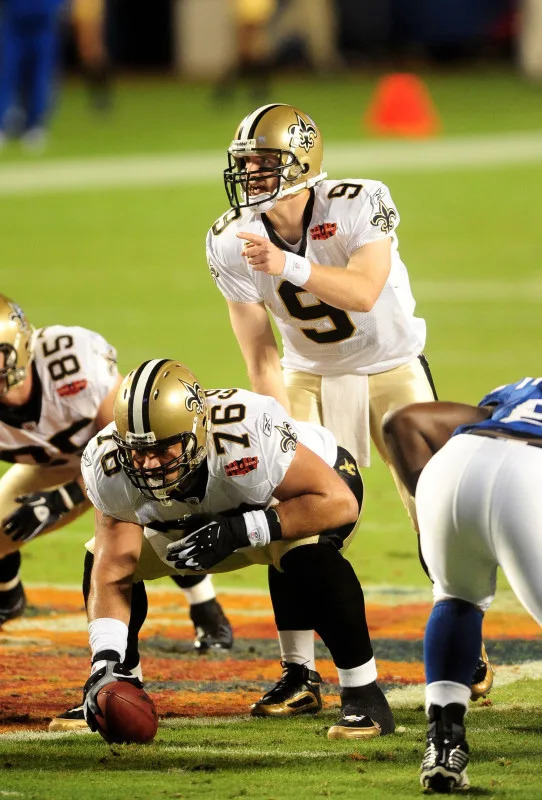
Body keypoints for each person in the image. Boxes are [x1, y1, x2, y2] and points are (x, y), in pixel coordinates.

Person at [204, 102, 496, 715]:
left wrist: (287, 263)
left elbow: (363, 292)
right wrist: (279, 431)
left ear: (302, 161)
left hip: (391, 369)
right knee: (286, 509)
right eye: (246, 164)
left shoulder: (360, 201)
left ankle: (466, 647)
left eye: (264, 162)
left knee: (434, 513)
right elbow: (259, 358)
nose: (251, 175)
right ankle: (299, 672)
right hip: (306, 373)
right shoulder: (231, 238)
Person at [80, 358, 395, 740]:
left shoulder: (244, 429)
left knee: (305, 556)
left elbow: (337, 501)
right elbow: (113, 569)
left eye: (164, 450)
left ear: (197, 430)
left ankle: (363, 693)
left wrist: (240, 530)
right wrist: (104, 661)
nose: (150, 465)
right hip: (204, 517)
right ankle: (119, 683)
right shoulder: (106, 463)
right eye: (138, 451)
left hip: (304, 495)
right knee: (100, 557)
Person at [0, 294, 232, 727]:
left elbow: (123, 442)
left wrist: (64, 500)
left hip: (115, 458)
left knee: (150, 512)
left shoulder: (70, 361)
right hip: (47, 467)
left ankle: (205, 607)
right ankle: (8, 597)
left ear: (20, 345)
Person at [382, 378, 542, 792]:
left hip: (454, 467)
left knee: (456, 597)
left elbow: (405, 421)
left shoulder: (524, 390)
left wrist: (443, 525)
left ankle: (443, 742)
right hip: (531, 477)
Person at [0, 0, 65, 150]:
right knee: (7, 74)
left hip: (43, 24)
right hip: (15, 23)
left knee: (40, 77)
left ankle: (35, 125)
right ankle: (3, 123)